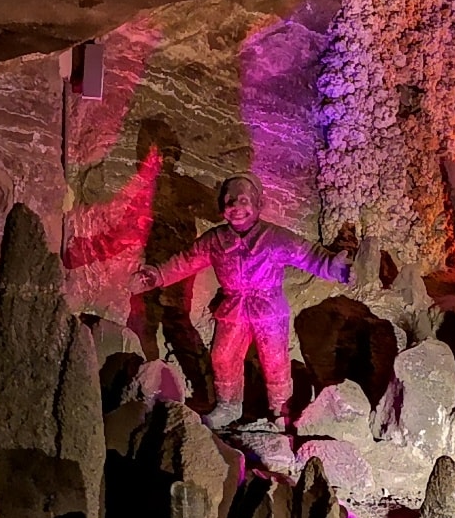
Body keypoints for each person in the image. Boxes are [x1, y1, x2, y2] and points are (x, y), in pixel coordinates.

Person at [130, 174, 353, 428]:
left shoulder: (273, 237)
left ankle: (281, 408)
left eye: (244, 200)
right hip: (233, 307)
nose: (236, 207)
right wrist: (158, 275)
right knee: (223, 356)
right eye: (229, 201)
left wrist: (333, 267)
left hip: (268, 307)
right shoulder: (216, 240)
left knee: (274, 360)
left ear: (259, 204)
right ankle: (228, 405)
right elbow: (185, 261)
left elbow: (307, 255)